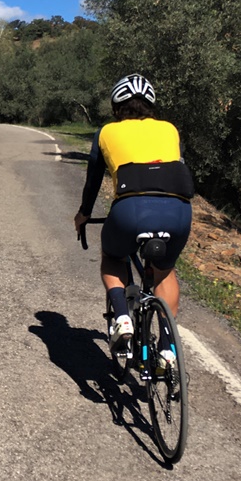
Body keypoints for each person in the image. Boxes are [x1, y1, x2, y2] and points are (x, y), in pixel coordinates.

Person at [74, 73, 194, 351]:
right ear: (150, 104)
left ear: (116, 106)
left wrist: (83, 214)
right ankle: (167, 350)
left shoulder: (106, 132)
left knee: (113, 257)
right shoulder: (170, 129)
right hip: (178, 211)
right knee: (164, 272)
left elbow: (93, 181)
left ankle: (122, 318)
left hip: (131, 210)